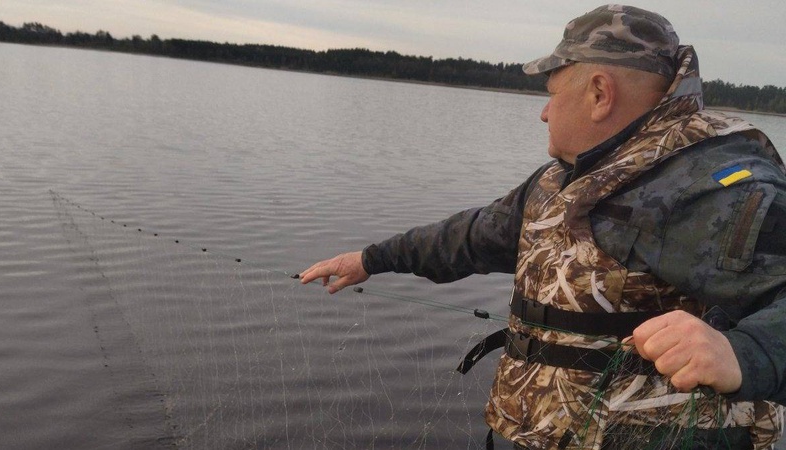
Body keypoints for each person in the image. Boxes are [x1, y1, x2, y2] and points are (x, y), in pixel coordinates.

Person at [301, 4, 786, 449]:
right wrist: (370, 259)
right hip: (543, 431)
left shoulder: (717, 187)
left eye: (552, 93)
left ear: (599, 93)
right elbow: (473, 237)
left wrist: (743, 352)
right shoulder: (569, 177)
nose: (544, 111)